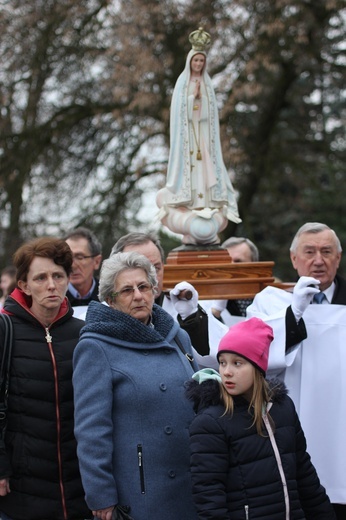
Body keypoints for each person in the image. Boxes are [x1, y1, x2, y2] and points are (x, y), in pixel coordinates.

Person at [72, 252, 199, 520]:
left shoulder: (177, 337)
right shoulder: (95, 347)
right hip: (141, 492)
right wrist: (101, 497)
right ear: (110, 300)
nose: (138, 296)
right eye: (127, 290)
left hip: (193, 484)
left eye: (143, 287)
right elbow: (92, 430)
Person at [186, 317, 336, 519]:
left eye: (237, 363)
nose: (227, 372)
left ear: (258, 367)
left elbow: (304, 473)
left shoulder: (282, 408)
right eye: (222, 362)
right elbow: (209, 496)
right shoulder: (211, 421)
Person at [247, 222, 346, 519]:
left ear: (338, 258)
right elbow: (255, 356)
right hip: (294, 428)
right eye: (310, 252)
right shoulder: (271, 301)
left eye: (327, 252)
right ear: (293, 258)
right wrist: (294, 314)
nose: (319, 260)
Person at [0, 237, 91, 520]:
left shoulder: (84, 333)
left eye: (58, 276)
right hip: (22, 487)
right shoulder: (5, 331)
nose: (51, 285)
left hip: (79, 485)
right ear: (24, 285)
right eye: (40, 278)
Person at [156, 28, 240, 226]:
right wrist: (193, 98)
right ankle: (190, 201)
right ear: (190, 61)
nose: (198, 64)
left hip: (202, 133)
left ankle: (205, 202)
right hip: (188, 135)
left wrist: (201, 102)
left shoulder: (207, 84)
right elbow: (179, 111)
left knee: (204, 167)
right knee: (190, 166)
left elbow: (210, 114)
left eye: (202, 61)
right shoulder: (182, 82)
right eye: (196, 60)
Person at [110, 232, 228, 369]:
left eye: (156, 268)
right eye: (140, 269)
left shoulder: (184, 306)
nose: (153, 278)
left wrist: (192, 319)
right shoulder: (101, 319)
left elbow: (221, 358)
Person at [211, 237, 259, 321]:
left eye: (238, 261)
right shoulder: (209, 298)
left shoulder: (267, 297)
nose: (231, 267)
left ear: (254, 265)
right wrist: (216, 311)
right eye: (227, 262)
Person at [63, 227, 102, 318]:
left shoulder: (109, 297)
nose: (72, 265)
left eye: (80, 257)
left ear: (96, 261)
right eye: (67, 257)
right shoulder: (55, 298)